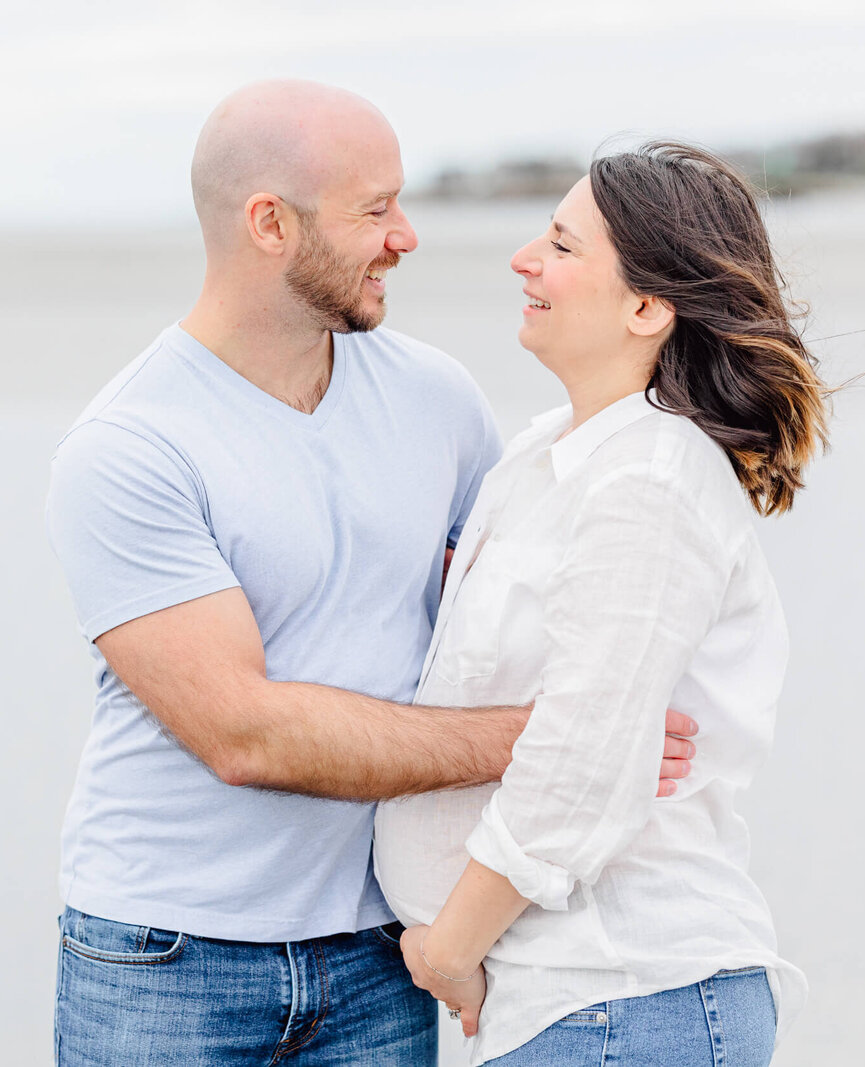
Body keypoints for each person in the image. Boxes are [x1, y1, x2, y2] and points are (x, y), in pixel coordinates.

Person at [44, 82, 697, 1065]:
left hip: (382, 947)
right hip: (166, 952)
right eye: (374, 209)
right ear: (269, 224)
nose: (407, 235)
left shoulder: (436, 398)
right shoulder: (132, 446)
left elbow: (515, 619)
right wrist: (560, 742)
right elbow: (243, 733)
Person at [374, 142, 825, 1066]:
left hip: (622, 993)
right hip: (574, 1006)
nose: (524, 259)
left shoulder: (649, 480)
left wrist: (450, 947)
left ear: (648, 308)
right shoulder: (547, 455)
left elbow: (584, 755)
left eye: (563, 246)